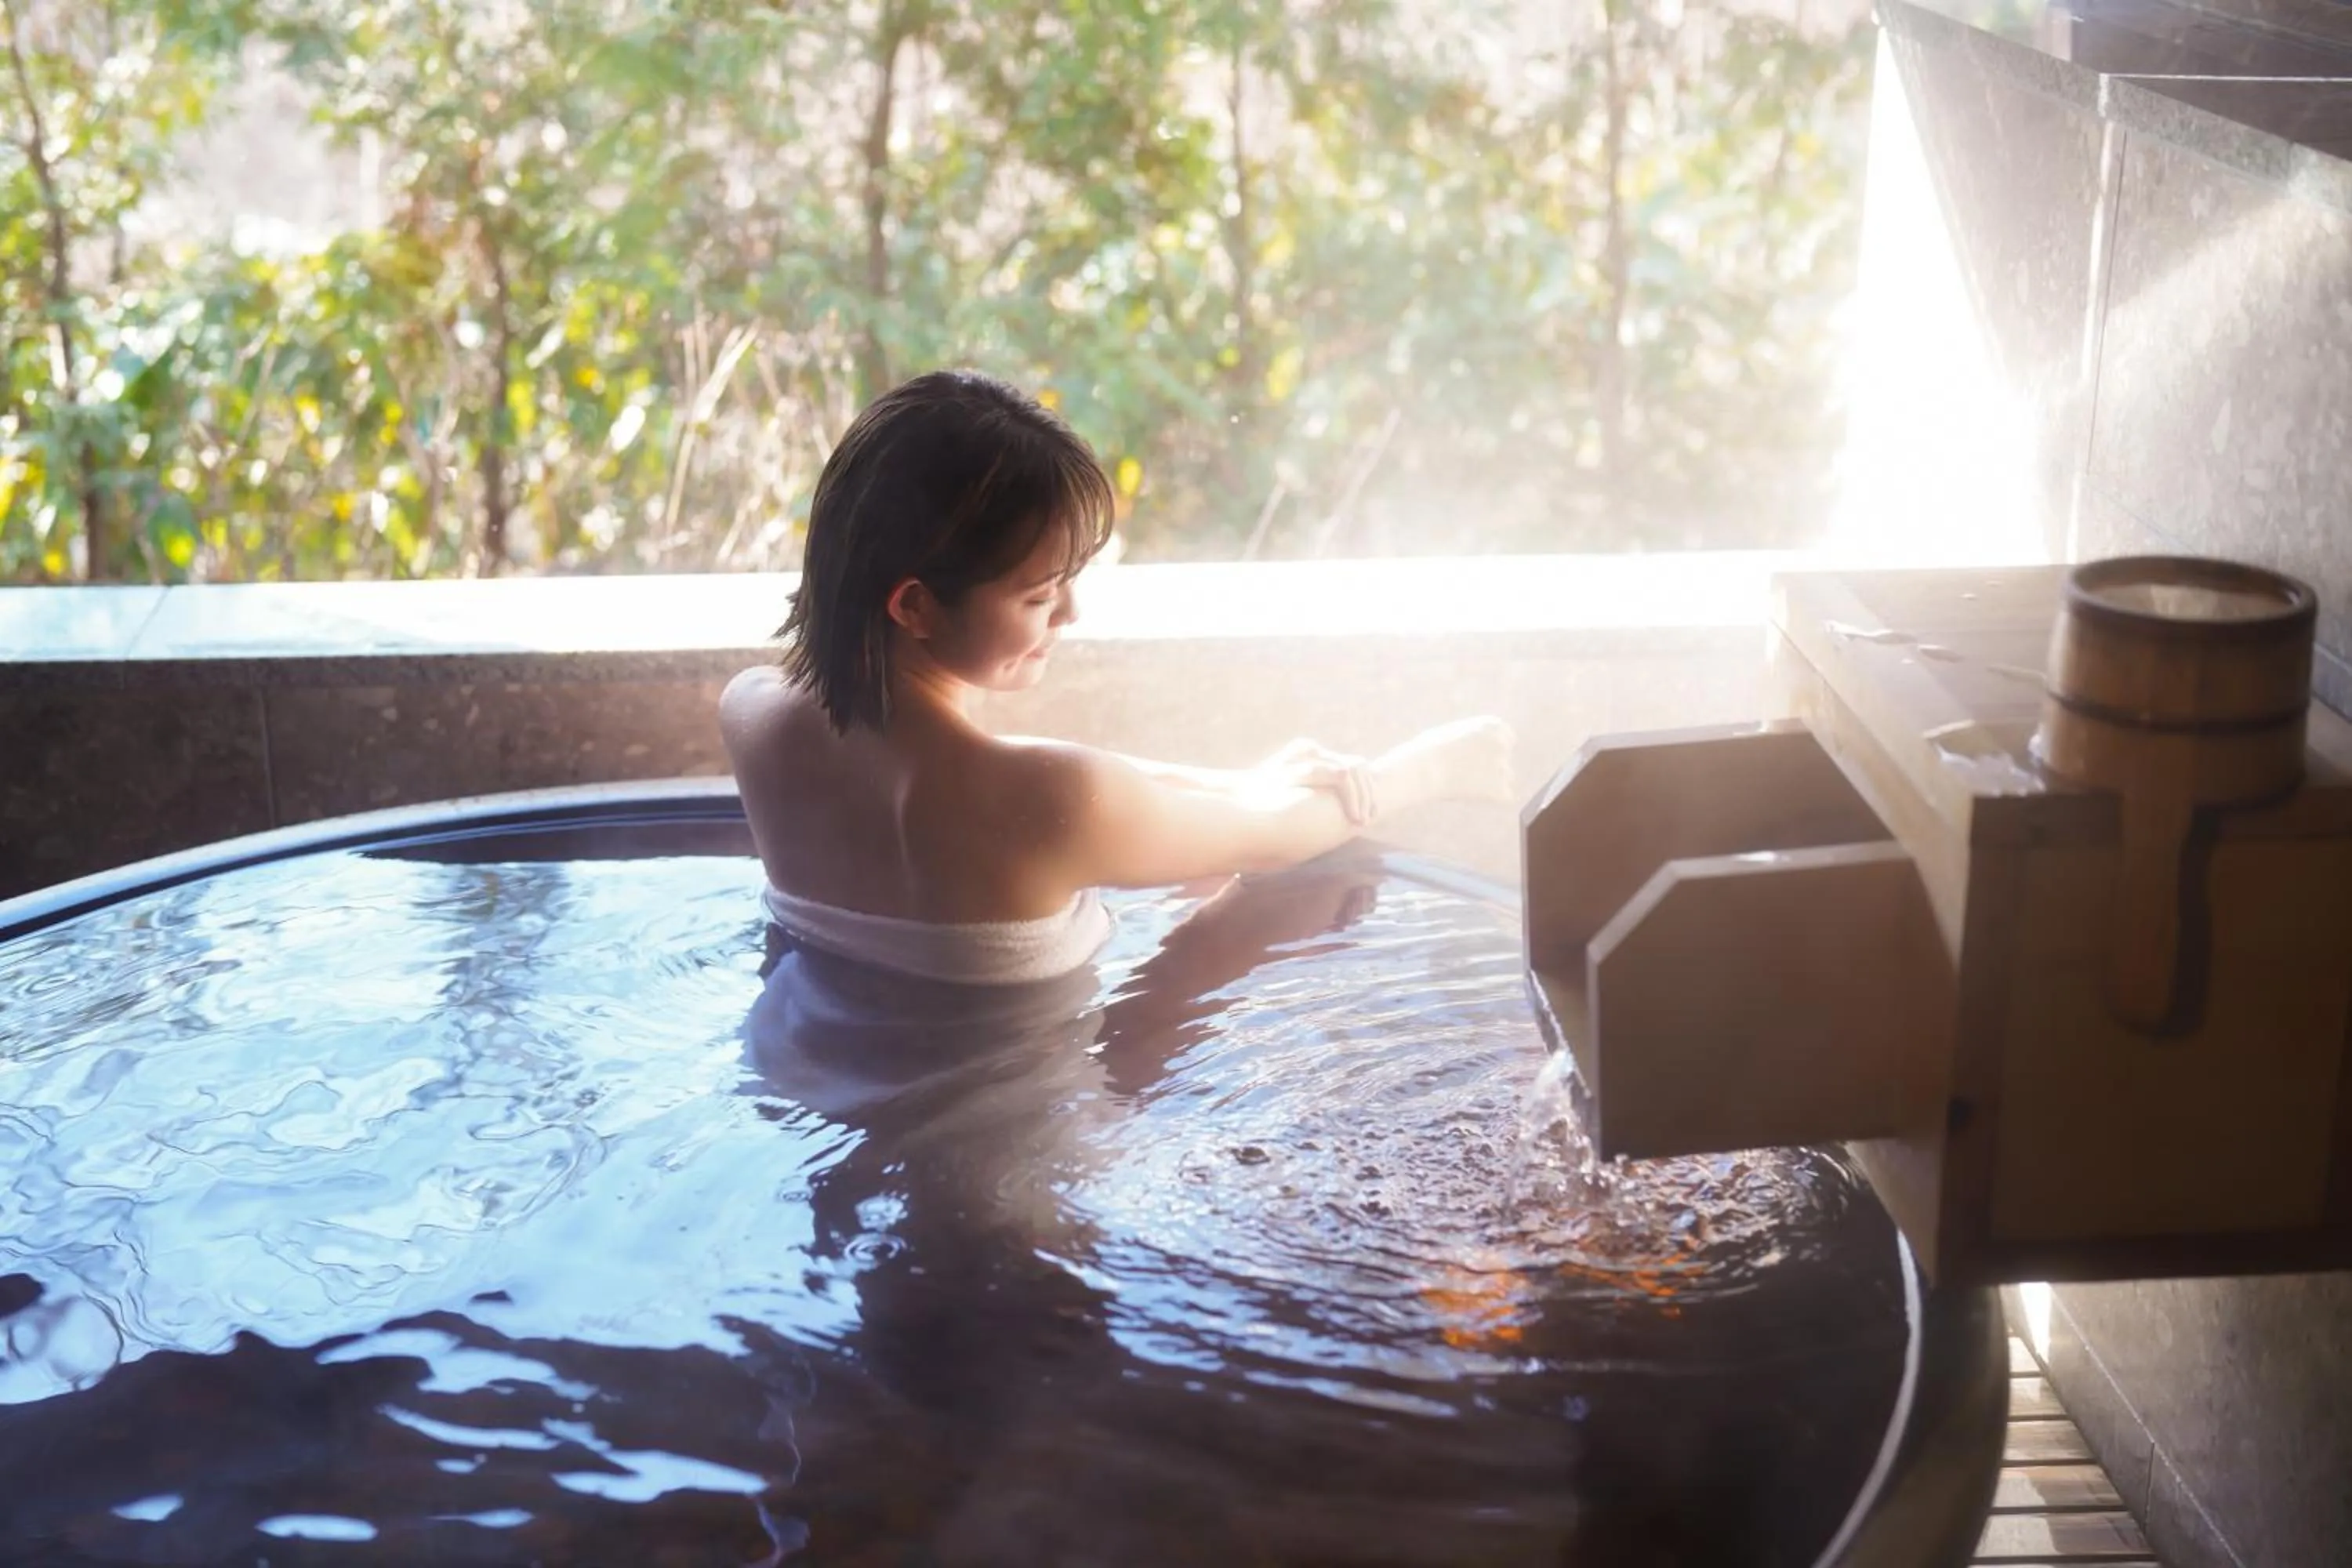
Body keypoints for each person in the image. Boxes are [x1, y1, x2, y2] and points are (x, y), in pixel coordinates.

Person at [720, 368, 1515, 984]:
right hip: (1016, 1162)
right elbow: (1279, 840)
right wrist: (1436, 765)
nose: (1070, 614)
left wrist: (1233, 779)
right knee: (1241, 929)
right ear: (916, 606)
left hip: (812, 1098)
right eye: (1039, 594)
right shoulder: (1048, 801)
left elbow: (993, 780)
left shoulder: (751, 712)